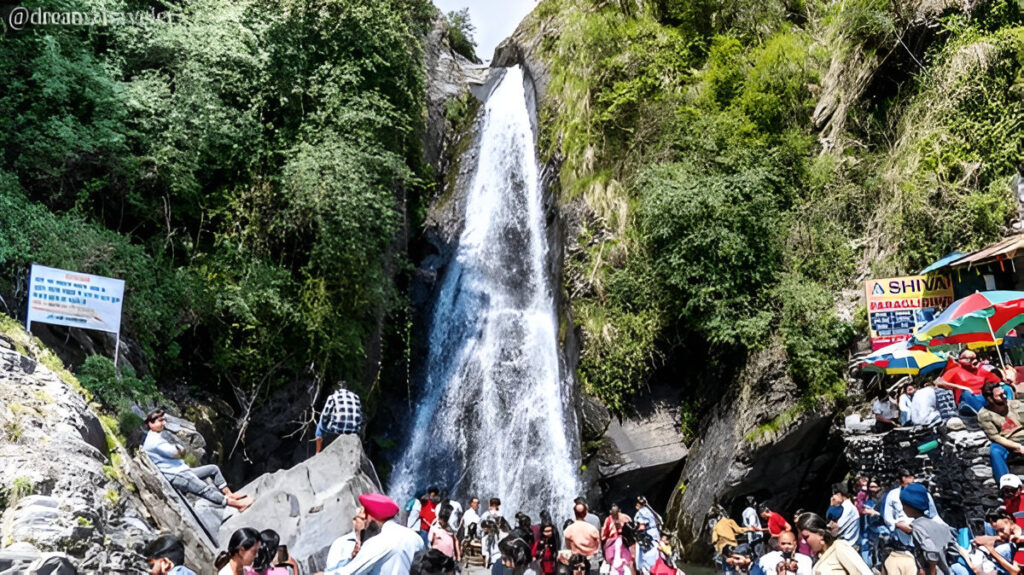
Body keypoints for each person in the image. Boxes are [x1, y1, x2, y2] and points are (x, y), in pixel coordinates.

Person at [143, 410, 252, 512]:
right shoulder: (154, 441)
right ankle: (238, 505)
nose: (164, 423)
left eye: (163, 420)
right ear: (150, 424)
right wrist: (179, 446)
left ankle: (229, 494)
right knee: (205, 490)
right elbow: (177, 453)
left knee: (213, 469)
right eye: (160, 421)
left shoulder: (154, 436)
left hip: (182, 470)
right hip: (177, 475)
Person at [332, 492, 425, 575]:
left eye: (366, 518)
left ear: (372, 518)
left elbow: (349, 572)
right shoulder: (416, 538)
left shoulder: (376, 543)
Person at [883, 469, 944, 575]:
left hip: (922, 535)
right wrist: (897, 525)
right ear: (902, 479)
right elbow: (888, 518)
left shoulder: (923, 494)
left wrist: (943, 528)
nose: (912, 480)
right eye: (909, 477)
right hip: (903, 541)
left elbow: (933, 514)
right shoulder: (893, 496)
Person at [899, 483, 969, 575]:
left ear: (912, 506)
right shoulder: (940, 526)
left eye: (904, 505)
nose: (903, 508)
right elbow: (954, 550)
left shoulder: (917, 527)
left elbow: (931, 552)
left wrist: (929, 571)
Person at [796, 513, 871, 575]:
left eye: (806, 537)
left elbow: (863, 572)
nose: (804, 542)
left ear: (820, 534)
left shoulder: (839, 547)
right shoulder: (817, 561)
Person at [978, 381, 1024, 480]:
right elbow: (995, 436)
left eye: (1004, 393)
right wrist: (1017, 446)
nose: (1004, 396)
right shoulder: (985, 415)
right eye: (1000, 395)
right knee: (995, 451)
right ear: (990, 398)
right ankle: (1005, 484)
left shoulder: (1014, 405)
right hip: (1008, 441)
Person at [937, 350, 1002, 413]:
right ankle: (984, 413)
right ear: (960, 359)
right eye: (970, 358)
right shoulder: (955, 371)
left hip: (982, 398)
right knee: (966, 394)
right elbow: (938, 382)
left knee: (1004, 388)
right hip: (966, 400)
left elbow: (999, 380)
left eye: (975, 358)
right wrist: (960, 387)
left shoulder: (981, 371)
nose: (973, 361)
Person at [322, 506, 373, 574]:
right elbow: (330, 571)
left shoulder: (375, 542)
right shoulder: (340, 543)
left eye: (369, 519)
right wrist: (351, 558)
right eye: (363, 519)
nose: (367, 522)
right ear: (354, 521)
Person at [315, 384, 363, 454]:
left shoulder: (333, 397)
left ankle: (318, 451)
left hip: (337, 430)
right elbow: (359, 417)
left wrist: (326, 421)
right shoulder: (356, 397)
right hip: (354, 431)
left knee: (319, 426)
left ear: (336, 390)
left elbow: (324, 416)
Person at [564, 503, 601, 574]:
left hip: (574, 562)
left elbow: (568, 547)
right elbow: (597, 547)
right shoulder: (592, 529)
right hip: (590, 562)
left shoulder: (569, 529)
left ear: (574, 513)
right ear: (585, 513)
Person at [634, 497, 662, 574]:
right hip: (655, 535)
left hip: (647, 538)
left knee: (646, 560)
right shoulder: (650, 511)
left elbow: (642, 526)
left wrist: (634, 531)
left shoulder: (642, 512)